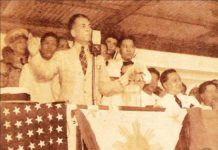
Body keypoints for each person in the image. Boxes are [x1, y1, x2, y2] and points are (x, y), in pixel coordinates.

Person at [27, 14, 142, 105]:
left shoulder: (98, 58)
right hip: (69, 111)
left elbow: (105, 88)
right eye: (83, 26)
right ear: (73, 32)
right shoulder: (62, 56)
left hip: (92, 112)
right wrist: (35, 54)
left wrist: (126, 78)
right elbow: (43, 74)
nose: (88, 29)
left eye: (89, 26)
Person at [20, 32, 60, 102]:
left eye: (53, 44)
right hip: (34, 109)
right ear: (40, 47)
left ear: (57, 49)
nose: (49, 47)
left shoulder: (60, 69)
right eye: (46, 43)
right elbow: (24, 93)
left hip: (55, 110)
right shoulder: (28, 67)